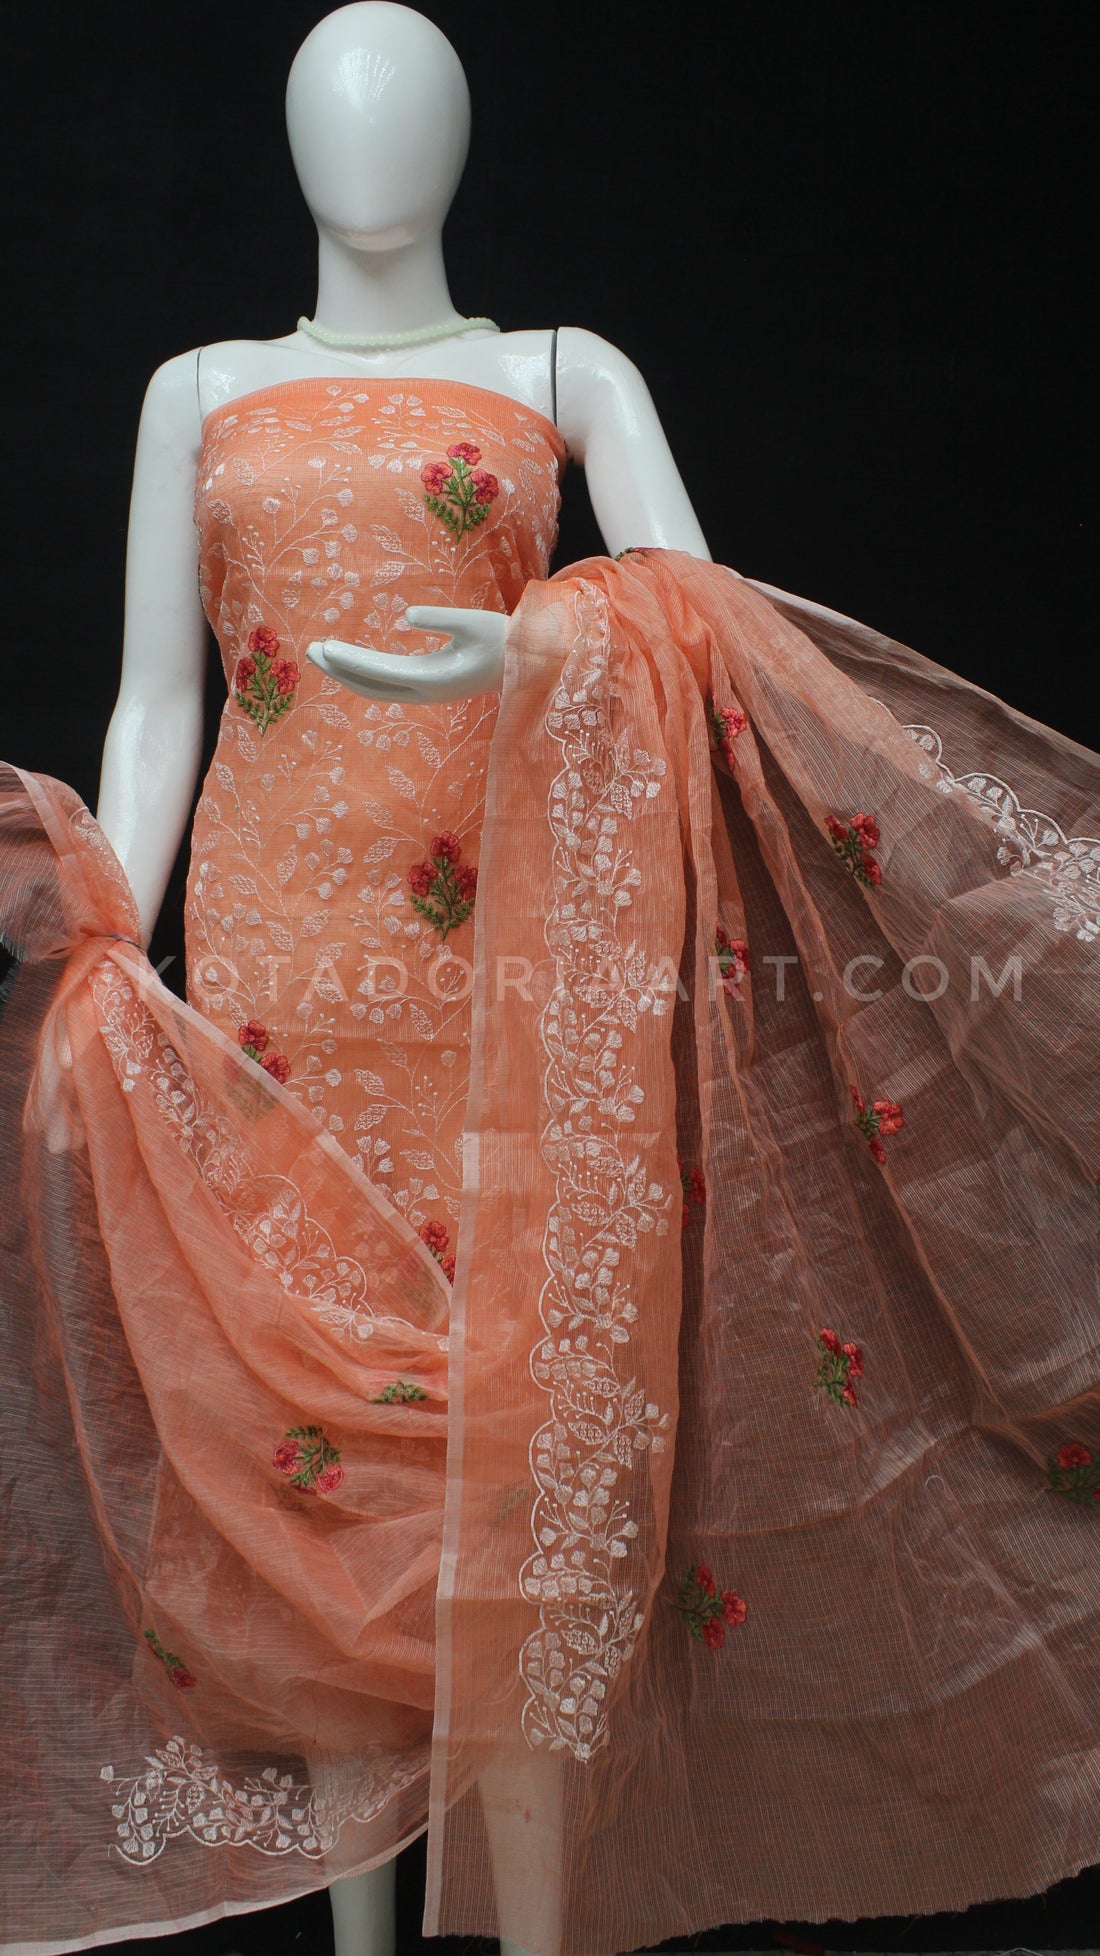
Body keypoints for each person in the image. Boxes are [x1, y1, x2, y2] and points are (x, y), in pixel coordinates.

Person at [2, 8, 1097, 1956]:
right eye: (335, 113)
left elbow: (707, 635)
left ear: (457, 139)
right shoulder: (203, 390)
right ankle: (358, 1937)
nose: (370, 146)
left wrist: (525, 650)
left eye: (403, 110)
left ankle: (517, 1922)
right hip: (271, 971)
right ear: (289, 143)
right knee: (308, 1445)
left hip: (509, 971)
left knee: (519, 1446)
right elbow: (159, 702)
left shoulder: (563, 372)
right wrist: (106, 933)